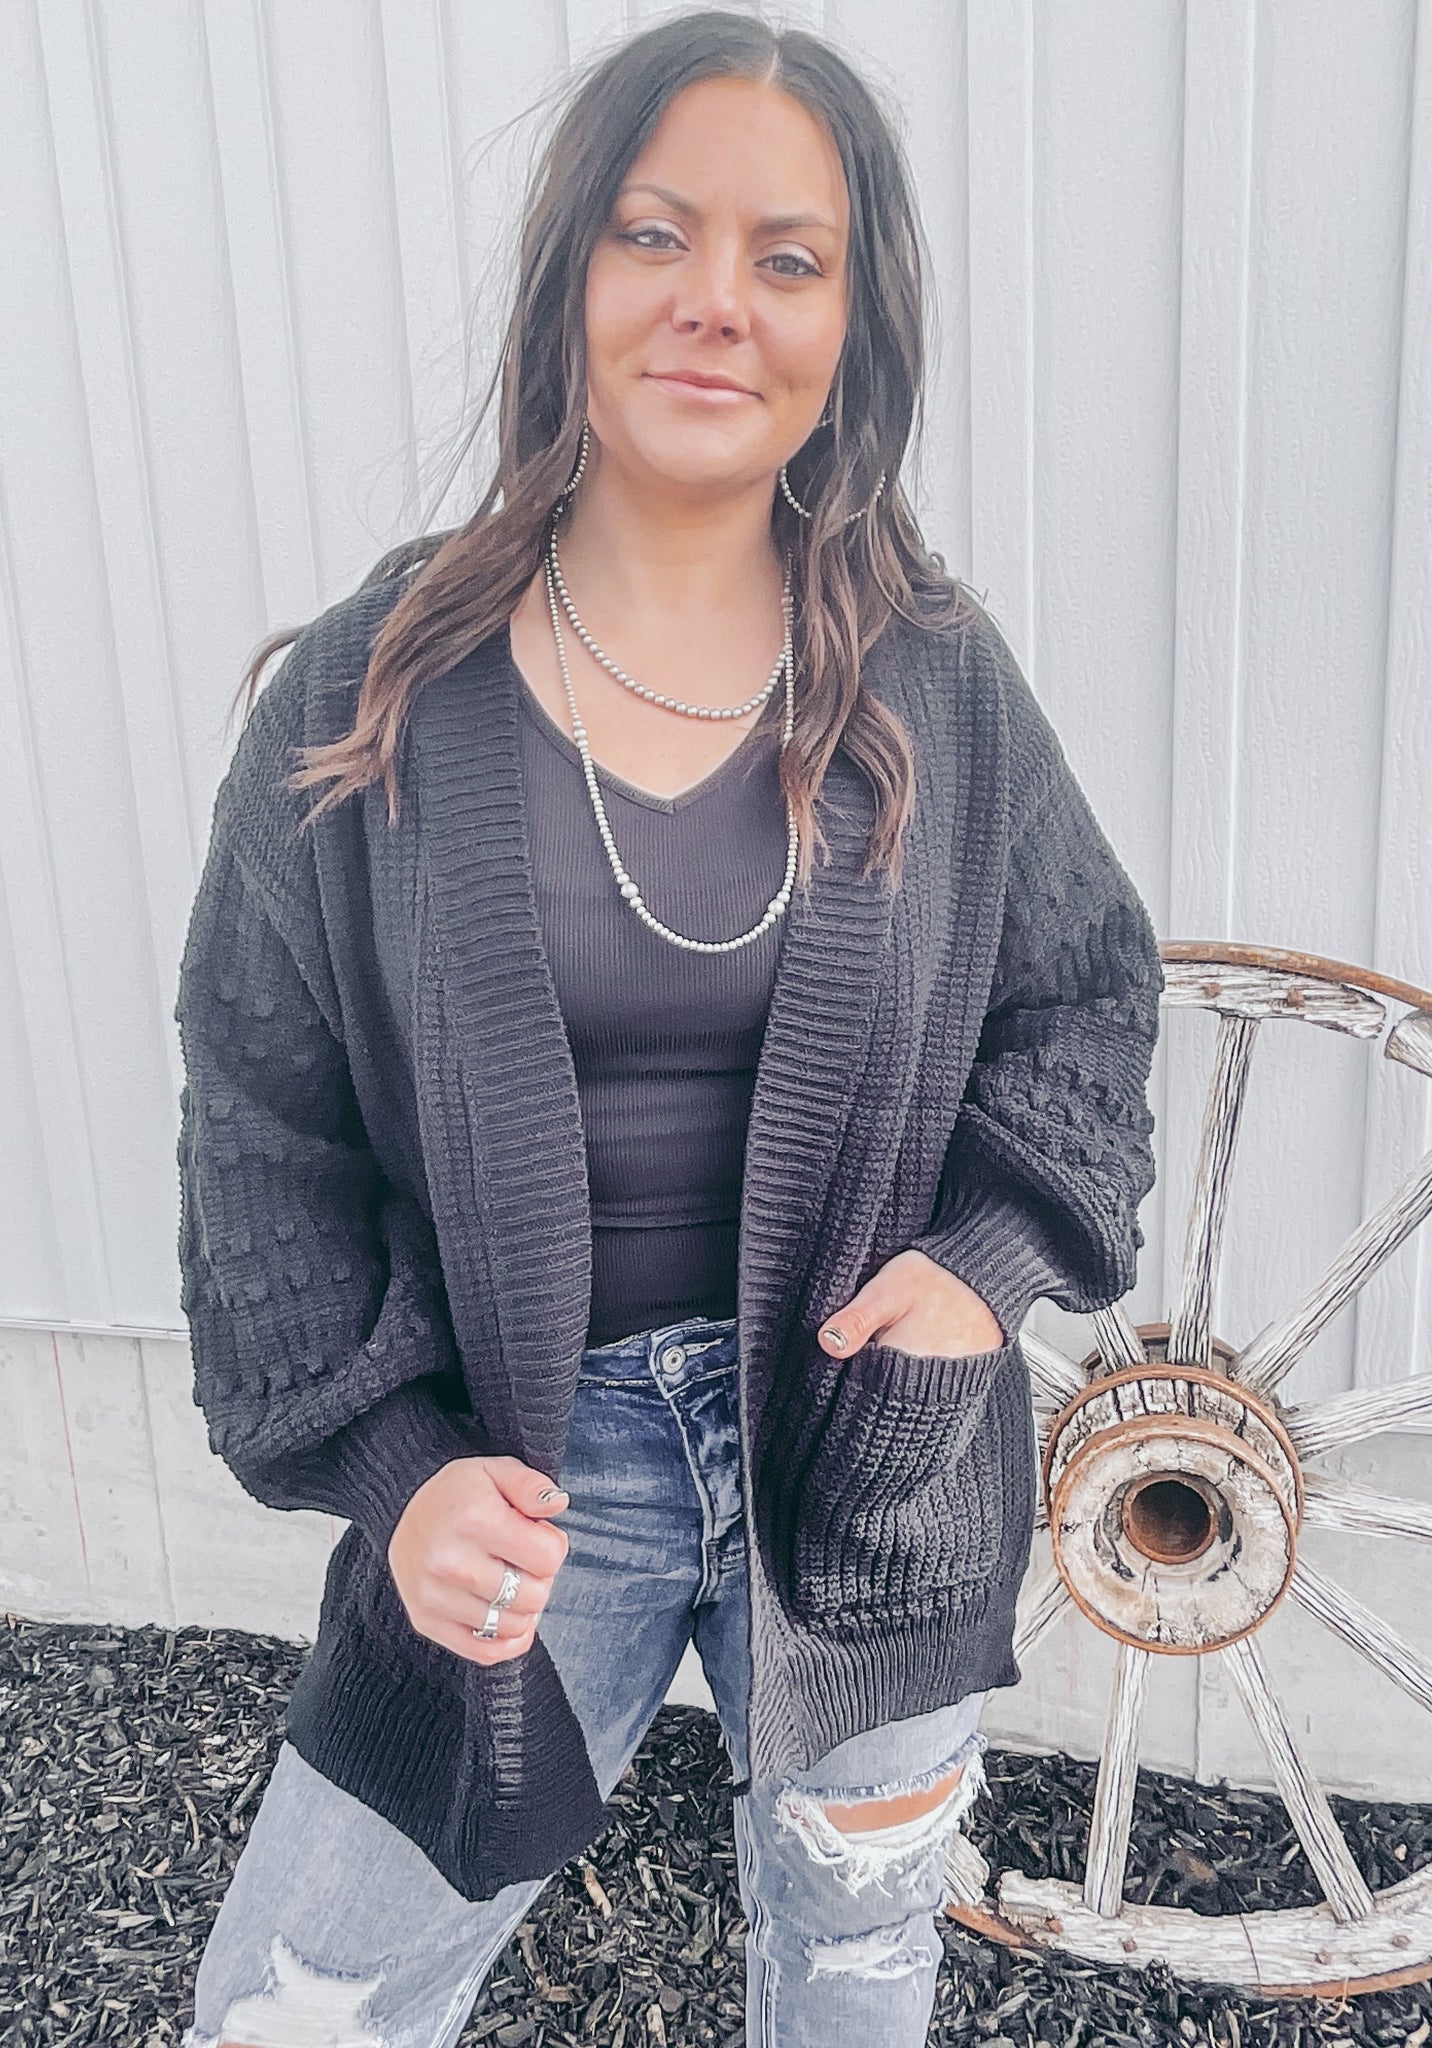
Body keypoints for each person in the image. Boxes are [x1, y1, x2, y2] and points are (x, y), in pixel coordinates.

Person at [173, 10, 1163, 2045]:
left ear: (848, 333)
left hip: (871, 1456)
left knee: (856, 1961)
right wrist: (399, 1471)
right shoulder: (369, 694)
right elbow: (259, 1127)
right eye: (656, 234)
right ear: (570, 280)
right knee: (299, 2004)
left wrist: (982, 1268)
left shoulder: (932, 682)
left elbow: (1084, 989)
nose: (717, 300)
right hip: (526, 1488)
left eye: (788, 259)